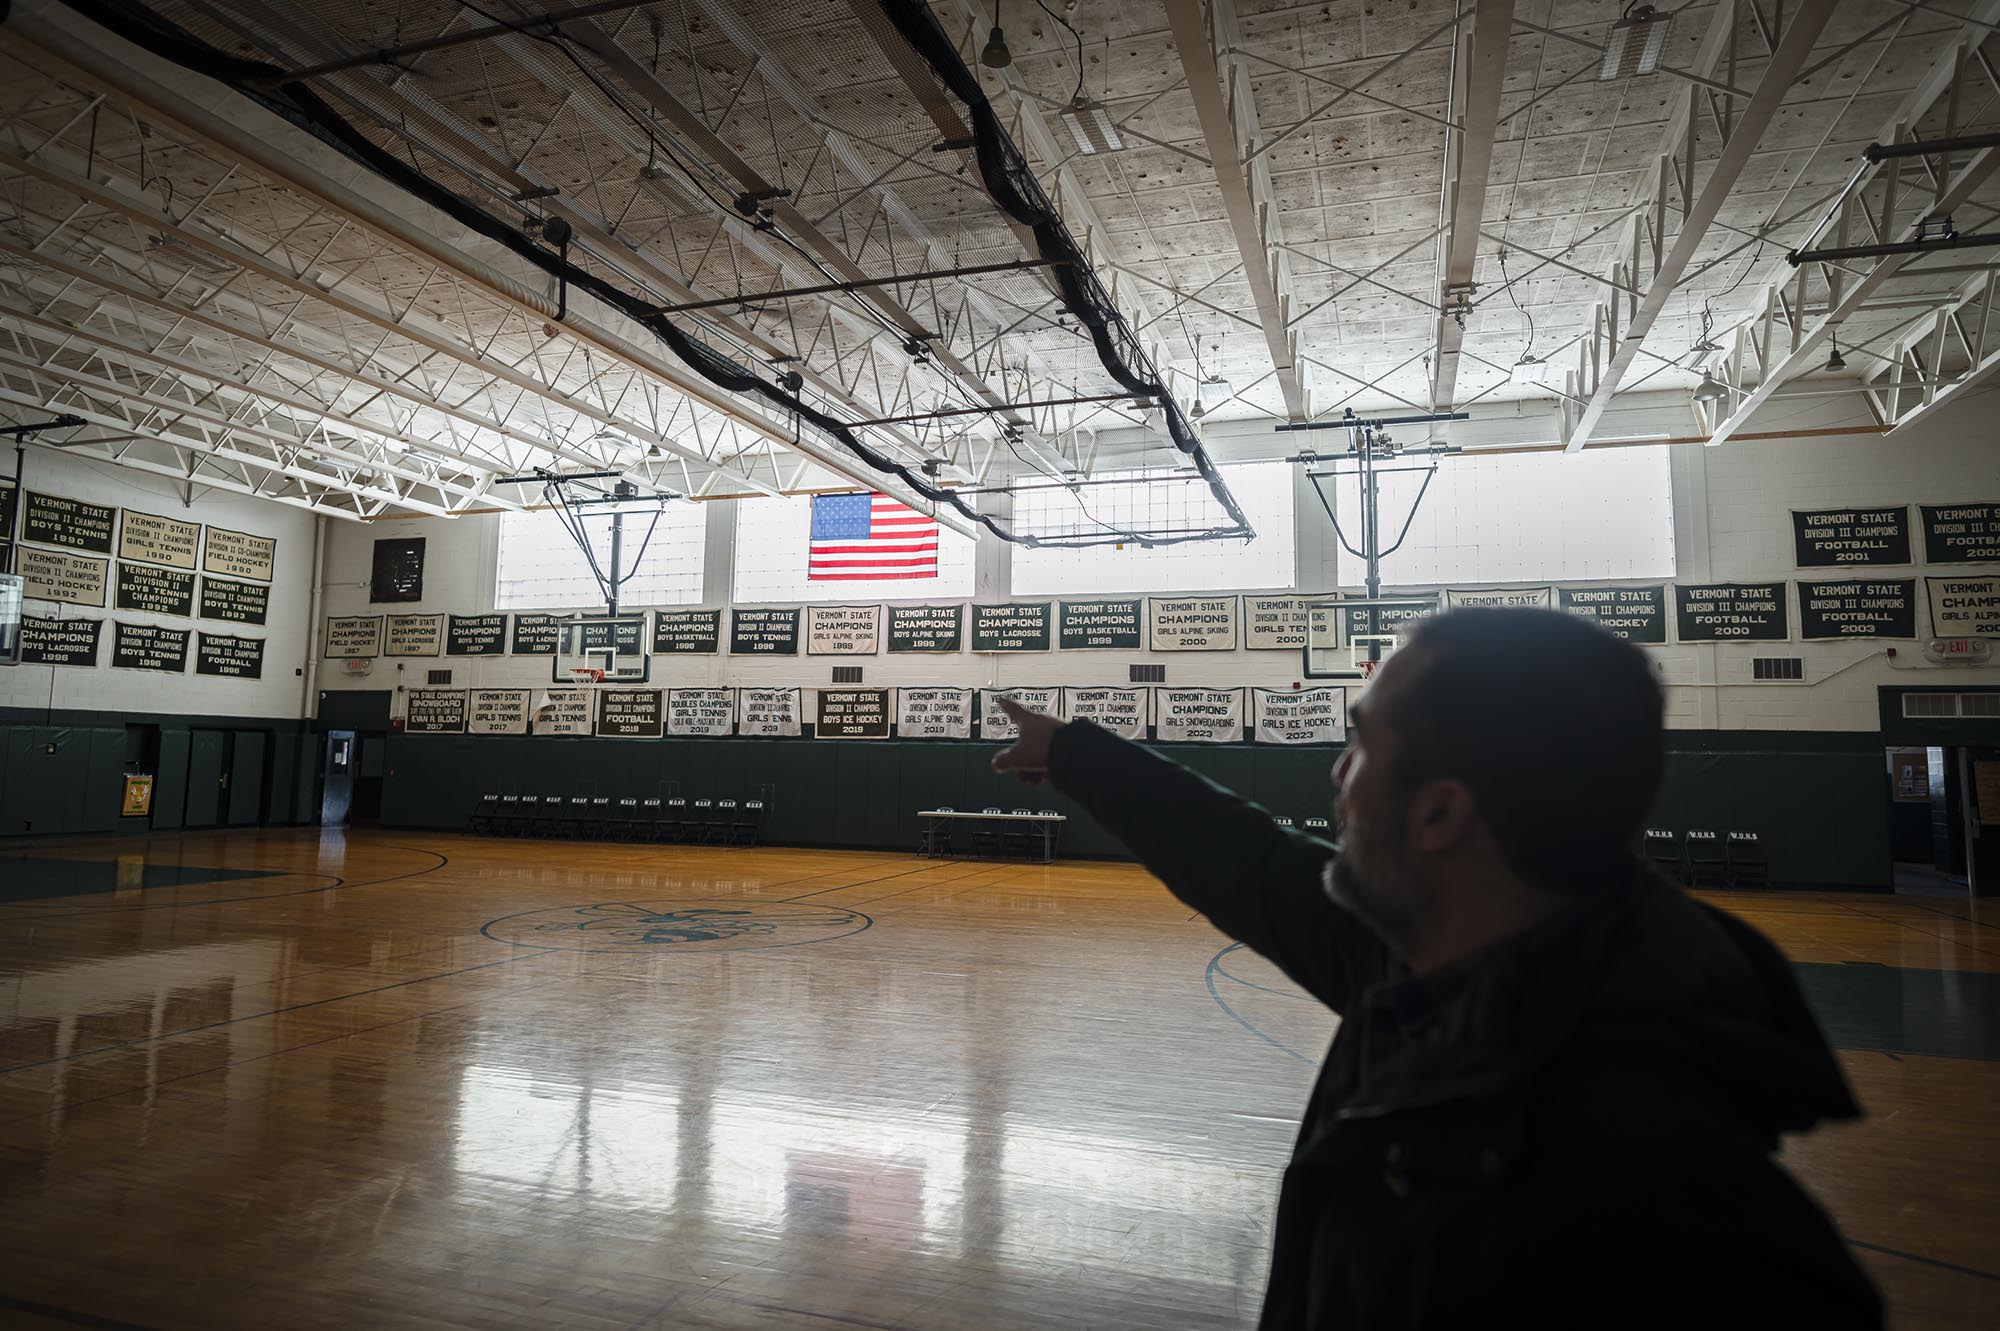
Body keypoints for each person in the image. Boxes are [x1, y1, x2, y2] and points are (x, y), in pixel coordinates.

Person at [991, 607, 1881, 1329]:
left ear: (1440, 813)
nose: (1340, 774)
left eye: (1362, 743)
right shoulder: (1431, 963)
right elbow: (1247, 859)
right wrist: (1073, 752)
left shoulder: (1670, 1218)